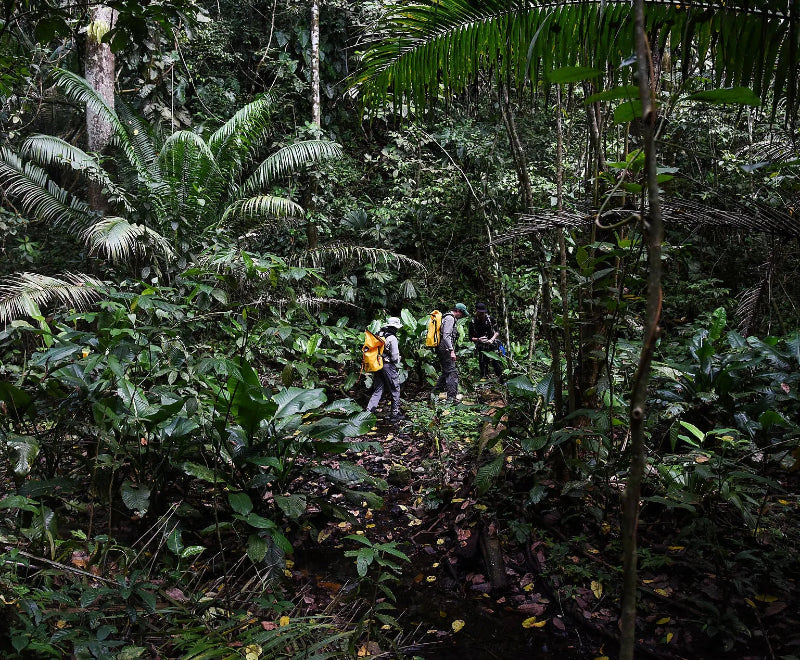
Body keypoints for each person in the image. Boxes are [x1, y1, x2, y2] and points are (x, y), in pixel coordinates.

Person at [366, 317, 405, 422]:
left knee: (378, 389)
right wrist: (398, 359)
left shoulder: (380, 334)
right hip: (388, 366)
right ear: (395, 327)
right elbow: (395, 357)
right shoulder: (392, 338)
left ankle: (368, 412)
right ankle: (394, 413)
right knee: (395, 389)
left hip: (378, 364)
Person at [433, 303, 468, 402]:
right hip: (445, 349)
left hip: (443, 348)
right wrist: (451, 351)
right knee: (452, 373)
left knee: (446, 371)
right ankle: (452, 398)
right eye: (462, 313)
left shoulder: (448, 317)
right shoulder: (450, 318)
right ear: (458, 311)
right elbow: (446, 336)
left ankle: (434, 393)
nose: (462, 316)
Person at [469, 302, 505, 381]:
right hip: (481, 346)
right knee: (483, 363)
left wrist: (492, 339)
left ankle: (501, 379)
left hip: (492, 344)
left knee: (496, 363)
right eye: (480, 313)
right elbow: (470, 337)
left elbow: (497, 331)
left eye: (483, 313)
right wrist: (479, 339)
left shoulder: (490, 319)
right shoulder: (472, 322)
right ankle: (484, 380)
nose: (482, 314)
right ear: (476, 311)